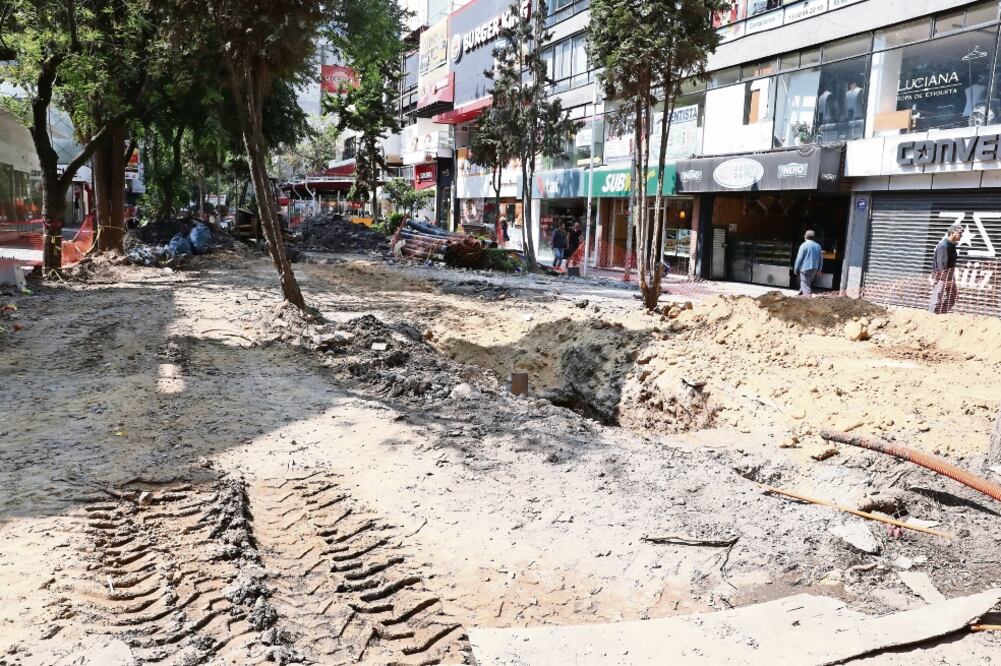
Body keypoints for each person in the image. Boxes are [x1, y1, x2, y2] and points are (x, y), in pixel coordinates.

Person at [928, 223, 963, 314]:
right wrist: (947, 280)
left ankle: (940, 313)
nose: (961, 235)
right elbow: (941, 265)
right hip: (942, 277)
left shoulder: (951, 245)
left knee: (953, 296)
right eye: (959, 233)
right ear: (952, 233)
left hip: (949, 276)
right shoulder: (944, 246)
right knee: (937, 298)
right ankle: (931, 317)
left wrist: (950, 278)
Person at [794, 230, 823, 297]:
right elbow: (821, 259)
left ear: (805, 236)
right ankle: (800, 296)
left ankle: (808, 298)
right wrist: (819, 270)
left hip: (805, 268)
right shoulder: (818, 246)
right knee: (806, 283)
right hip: (814, 269)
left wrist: (796, 269)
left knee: (805, 285)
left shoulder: (804, 245)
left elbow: (799, 259)